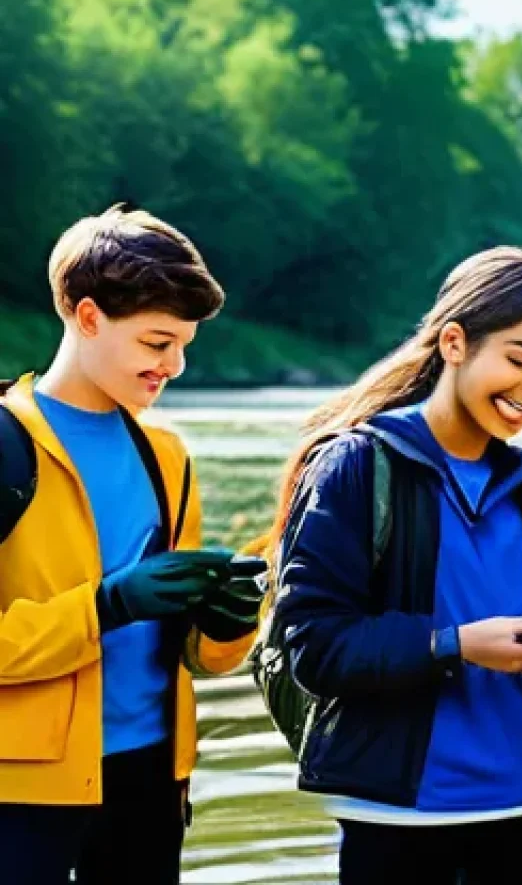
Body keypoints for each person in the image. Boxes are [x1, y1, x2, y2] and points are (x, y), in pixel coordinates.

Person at [272, 247, 522, 885]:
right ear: (455, 343)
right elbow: (315, 648)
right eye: (519, 359)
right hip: (404, 817)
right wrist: (454, 645)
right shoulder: (356, 465)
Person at [0, 206, 266, 885]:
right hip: (20, 796)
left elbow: (196, 659)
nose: (173, 366)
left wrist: (228, 622)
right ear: (87, 318)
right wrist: (105, 606)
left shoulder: (168, 457)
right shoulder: (5, 446)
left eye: (183, 345)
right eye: (156, 343)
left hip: (153, 778)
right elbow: (113, 610)